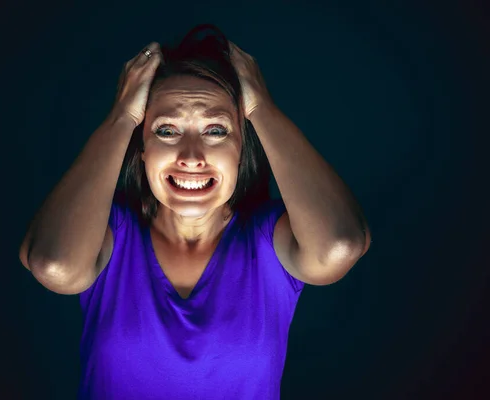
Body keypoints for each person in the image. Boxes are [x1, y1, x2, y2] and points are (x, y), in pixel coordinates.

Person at [19, 24, 371, 400]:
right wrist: (121, 115)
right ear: (141, 148)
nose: (190, 157)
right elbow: (52, 264)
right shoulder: (110, 231)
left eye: (216, 131)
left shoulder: (269, 239)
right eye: (167, 131)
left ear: (241, 149)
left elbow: (341, 244)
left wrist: (260, 107)